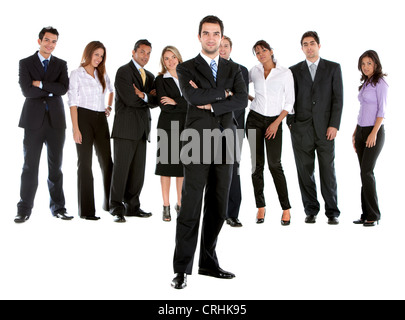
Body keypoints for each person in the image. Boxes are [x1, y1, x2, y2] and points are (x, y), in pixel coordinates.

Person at [171, 15, 248, 289]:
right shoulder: (186, 68)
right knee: (190, 205)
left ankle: (208, 263)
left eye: (216, 34)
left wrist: (213, 100)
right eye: (206, 33)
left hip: (226, 140)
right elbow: (193, 98)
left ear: (221, 36)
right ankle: (181, 269)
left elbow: (240, 100)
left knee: (218, 205)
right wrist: (223, 94)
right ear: (199, 37)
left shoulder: (236, 69)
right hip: (196, 140)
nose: (212, 38)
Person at [15, 26, 72, 223]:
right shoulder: (25, 63)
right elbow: (26, 91)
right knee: (29, 166)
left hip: (56, 122)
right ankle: (24, 209)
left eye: (54, 41)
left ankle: (59, 208)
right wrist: (50, 90)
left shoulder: (61, 64)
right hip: (33, 122)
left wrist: (39, 84)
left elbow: (63, 89)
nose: (50, 45)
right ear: (39, 41)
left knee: (56, 168)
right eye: (47, 40)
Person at [288, 31, 343, 225]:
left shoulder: (333, 68)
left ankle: (332, 211)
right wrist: (291, 124)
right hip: (301, 130)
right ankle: (310, 210)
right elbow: (289, 99)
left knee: (328, 170)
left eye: (312, 43)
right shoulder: (293, 70)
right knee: (305, 171)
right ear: (301, 48)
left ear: (319, 45)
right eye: (305, 44)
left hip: (326, 129)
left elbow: (338, 100)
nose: (309, 47)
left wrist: (334, 125)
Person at [246, 40, 294, 226]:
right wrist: (252, 99)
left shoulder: (285, 73)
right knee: (256, 166)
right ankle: (260, 206)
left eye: (263, 50)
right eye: (257, 52)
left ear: (271, 51)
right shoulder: (254, 71)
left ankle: (286, 208)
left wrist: (275, 124)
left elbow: (289, 103)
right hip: (254, 119)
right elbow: (240, 87)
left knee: (275, 164)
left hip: (275, 121)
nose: (261, 54)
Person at [109, 39, 158, 223]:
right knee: (121, 171)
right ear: (134, 52)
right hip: (125, 129)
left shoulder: (151, 76)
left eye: (148, 53)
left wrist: (143, 95)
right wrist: (146, 98)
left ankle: (133, 207)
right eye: (142, 52)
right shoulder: (123, 72)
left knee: (138, 172)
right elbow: (129, 99)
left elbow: (156, 101)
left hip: (143, 130)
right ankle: (116, 207)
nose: (145, 56)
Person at [68, 41, 114, 220]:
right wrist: (75, 128)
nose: (99, 58)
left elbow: (111, 90)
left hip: (101, 119)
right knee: (85, 164)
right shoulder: (76, 74)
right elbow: (72, 102)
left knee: (107, 162)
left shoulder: (101, 73)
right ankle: (87, 211)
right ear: (88, 53)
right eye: (96, 54)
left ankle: (110, 204)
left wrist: (108, 106)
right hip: (83, 119)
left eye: (101, 56)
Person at [352, 50, 387, 227]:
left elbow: (381, 112)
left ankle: (374, 214)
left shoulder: (380, 83)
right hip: (361, 131)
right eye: (363, 64)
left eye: (369, 63)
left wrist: (373, 133)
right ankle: (365, 213)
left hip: (374, 132)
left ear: (375, 64)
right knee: (363, 174)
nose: (366, 67)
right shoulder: (365, 83)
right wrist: (355, 132)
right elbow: (363, 111)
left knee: (367, 172)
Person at [218, 35, 249, 228]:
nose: (222, 49)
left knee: (232, 170)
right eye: (219, 46)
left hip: (234, 126)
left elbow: (240, 100)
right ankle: (215, 212)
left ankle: (232, 214)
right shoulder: (206, 69)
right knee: (211, 170)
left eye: (226, 46)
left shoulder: (241, 70)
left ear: (231, 48)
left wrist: (217, 101)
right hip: (209, 126)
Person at [155, 46, 188, 222]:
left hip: (187, 126)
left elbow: (194, 101)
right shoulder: (160, 80)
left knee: (182, 168)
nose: (170, 61)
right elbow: (164, 106)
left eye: (173, 57)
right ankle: (166, 206)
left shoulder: (187, 77)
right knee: (166, 167)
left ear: (178, 58)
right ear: (163, 61)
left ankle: (180, 203)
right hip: (168, 127)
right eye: (166, 58)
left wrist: (176, 101)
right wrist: (179, 104)